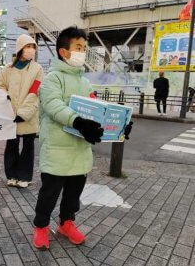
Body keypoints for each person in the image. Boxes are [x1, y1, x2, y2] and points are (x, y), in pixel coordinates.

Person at [32, 26, 132, 250]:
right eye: (78, 47)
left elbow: (98, 110)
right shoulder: (51, 79)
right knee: (49, 194)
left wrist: (120, 124)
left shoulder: (86, 83)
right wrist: (78, 121)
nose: (82, 52)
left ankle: (66, 224)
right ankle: (40, 227)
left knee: (73, 195)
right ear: (63, 51)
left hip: (79, 149)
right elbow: (53, 106)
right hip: (57, 149)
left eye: (84, 48)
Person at [0, 34, 44, 188]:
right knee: (11, 146)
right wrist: (6, 99)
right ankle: (11, 175)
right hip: (10, 114)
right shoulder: (8, 69)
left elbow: (35, 92)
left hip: (29, 116)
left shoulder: (37, 69)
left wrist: (23, 113)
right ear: (20, 49)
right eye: (28, 47)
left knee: (28, 147)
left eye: (33, 47)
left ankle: (24, 177)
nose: (31, 50)